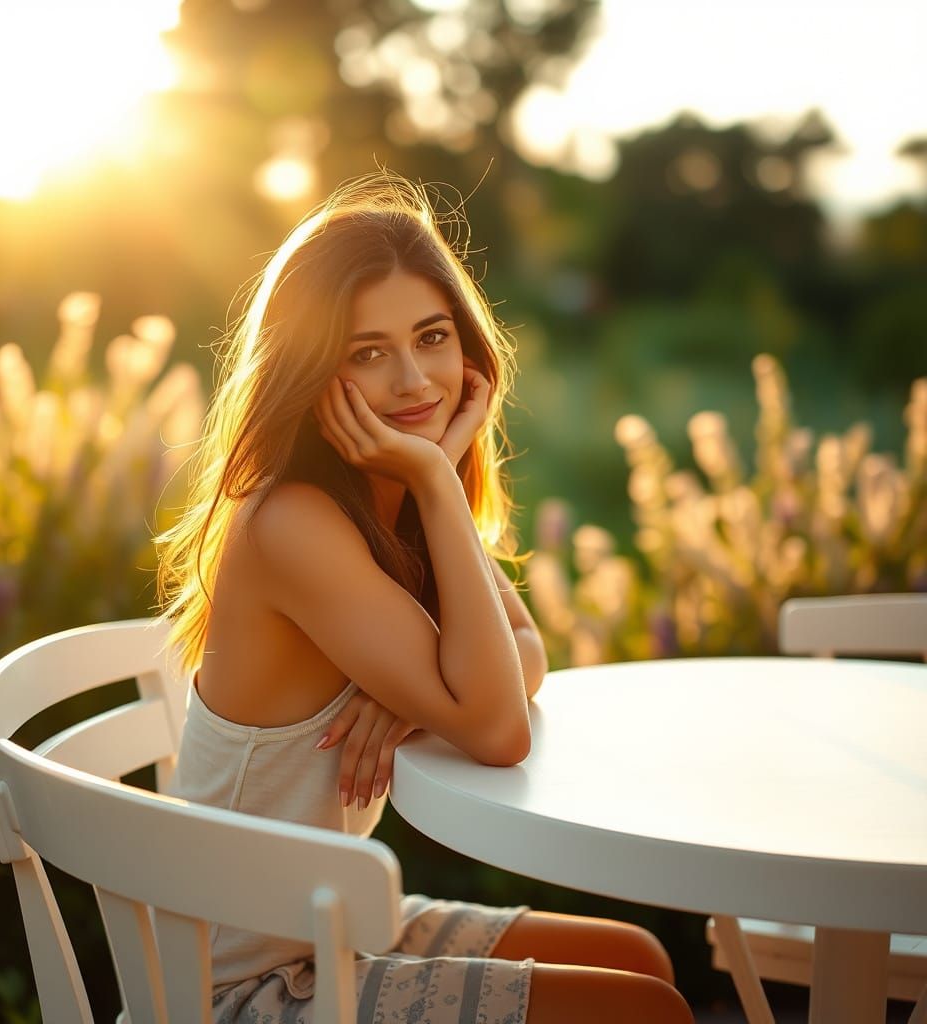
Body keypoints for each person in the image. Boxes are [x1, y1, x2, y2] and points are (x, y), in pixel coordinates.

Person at [157, 174, 693, 1024]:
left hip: (326, 924)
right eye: (367, 352)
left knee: (635, 957)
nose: (413, 381)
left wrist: (411, 703)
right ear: (312, 370)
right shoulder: (295, 521)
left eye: (432, 337)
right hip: (237, 986)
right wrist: (440, 480)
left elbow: (526, 656)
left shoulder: (388, 503)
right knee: (640, 1011)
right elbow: (498, 728)